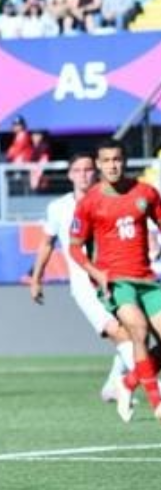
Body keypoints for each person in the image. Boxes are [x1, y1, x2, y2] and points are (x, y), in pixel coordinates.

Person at [29, 152, 134, 411]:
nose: (84, 174)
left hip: (116, 277)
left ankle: (114, 384)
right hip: (84, 285)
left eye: (88, 169)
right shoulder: (59, 208)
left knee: (135, 332)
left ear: (96, 171)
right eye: (78, 170)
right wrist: (36, 278)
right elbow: (46, 243)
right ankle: (153, 386)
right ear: (70, 175)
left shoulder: (111, 199)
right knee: (117, 331)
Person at [69, 140, 161, 422]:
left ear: (126, 161)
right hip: (115, 282)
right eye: (106, 160)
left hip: (146, 278)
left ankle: (128, 382)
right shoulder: (89, 203)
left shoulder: (146, 193)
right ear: (99, 164)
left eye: (117, 159)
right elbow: (75, 246)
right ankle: (157, 403)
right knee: (139, 329)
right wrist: (96, 272)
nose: (112, 165)